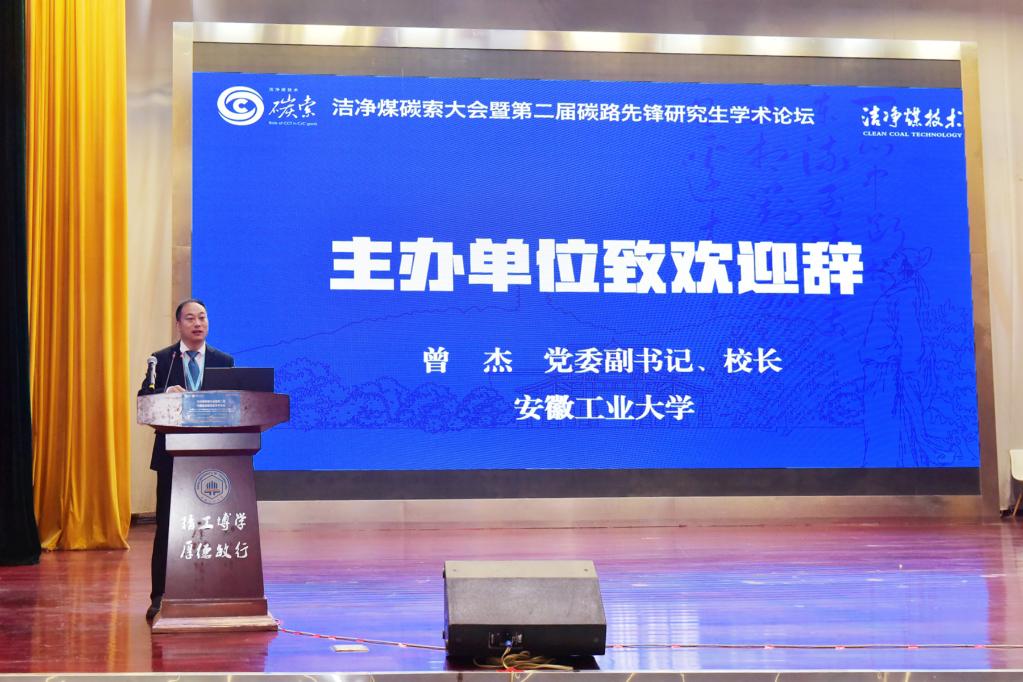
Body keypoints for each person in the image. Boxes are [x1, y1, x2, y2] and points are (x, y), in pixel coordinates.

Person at [138, 298, 234, 621]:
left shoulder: (223, 361)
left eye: (202, 317)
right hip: (171, 456)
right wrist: (165, 396)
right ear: (178, 324)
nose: (198, 323)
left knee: (212, 527)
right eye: (190, 318)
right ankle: (160, 595)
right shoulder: (162, 360)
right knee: (168, 526)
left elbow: (234, 404)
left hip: (213, 458)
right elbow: (144, 400)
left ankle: (212, 591)